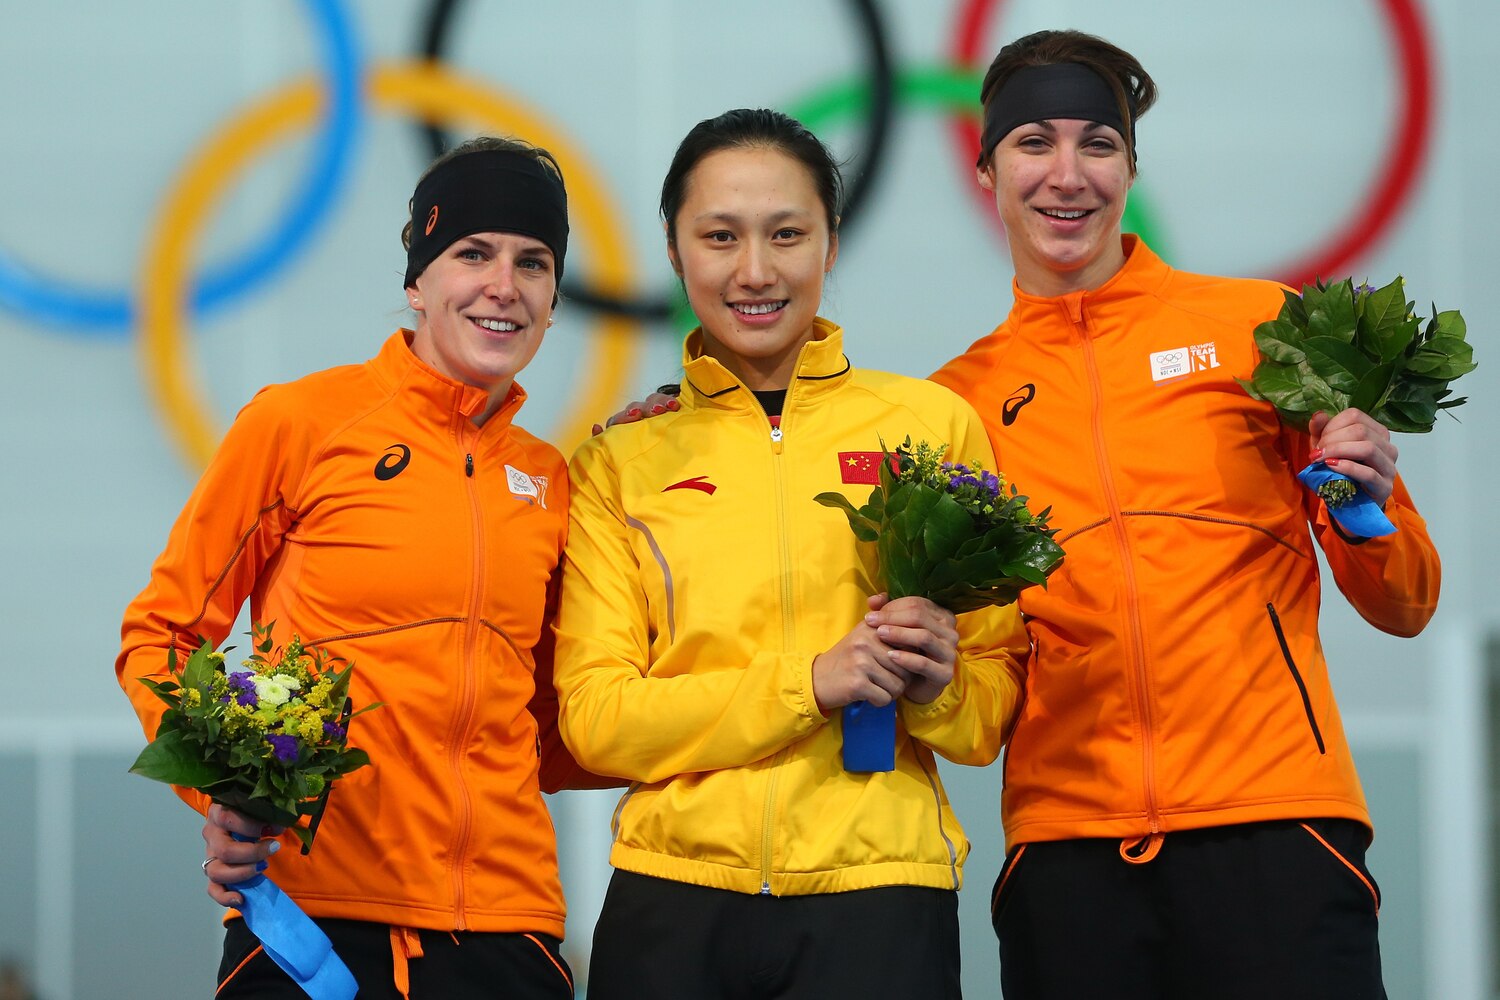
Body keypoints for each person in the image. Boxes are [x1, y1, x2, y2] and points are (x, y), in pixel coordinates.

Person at [927, 29, 1441, 999]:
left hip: (1277, 822)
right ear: (986, 167)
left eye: (1098, 144)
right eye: (1034, 142)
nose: (1067, 174)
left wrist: (1368, 511)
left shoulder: (1259, 329)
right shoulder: (951, 405)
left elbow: (1406, 600)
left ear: (1131, 166)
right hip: (1067, 852)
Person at [552, 108, 1029, 1000]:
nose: (756, 271)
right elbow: (596, 717)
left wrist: (939, 689)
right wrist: (808, 683)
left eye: (787, 234)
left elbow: (990, 705)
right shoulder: (620, 459)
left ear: (832, 244)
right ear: (673, 248)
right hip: (673, 897)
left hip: (882, 895)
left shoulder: (930, 430)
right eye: (720, 237)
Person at [117, 136, 607, 999]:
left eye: (534, 262)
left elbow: (560, 725)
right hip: (314, 919)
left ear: (555, 299)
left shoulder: (551, 480)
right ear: (417, 282)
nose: (504, 285)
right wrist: (223, 792)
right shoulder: (302, 425)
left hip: (506, 929)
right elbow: (157, 634)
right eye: (473, 254)